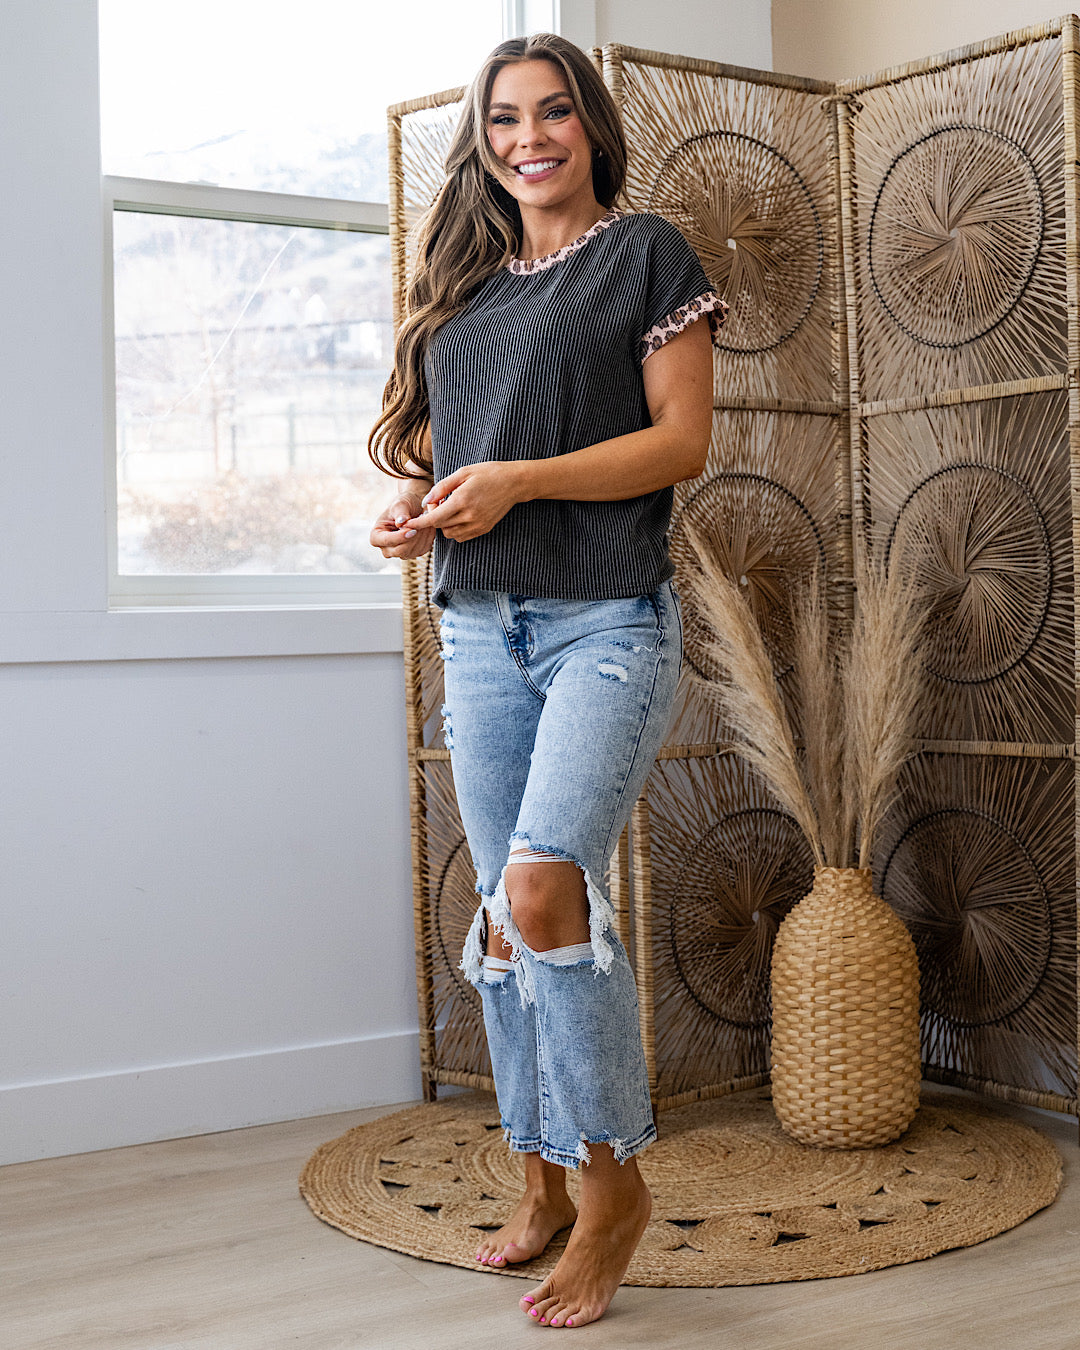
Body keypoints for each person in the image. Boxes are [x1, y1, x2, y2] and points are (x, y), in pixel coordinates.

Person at [369, 31, 726, 1329]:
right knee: (501, 920)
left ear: (592, 128)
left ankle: (611, 1184)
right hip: (479, 625)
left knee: (541, 887)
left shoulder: (647, 255)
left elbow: (680, 441)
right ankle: (540, 1179)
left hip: (607, 622)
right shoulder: (464, 290)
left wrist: (519, 484)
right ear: (484, 143)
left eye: (555, 112)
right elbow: (458, 452)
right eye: (506, 119)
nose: (530, 138)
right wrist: (421, 505)